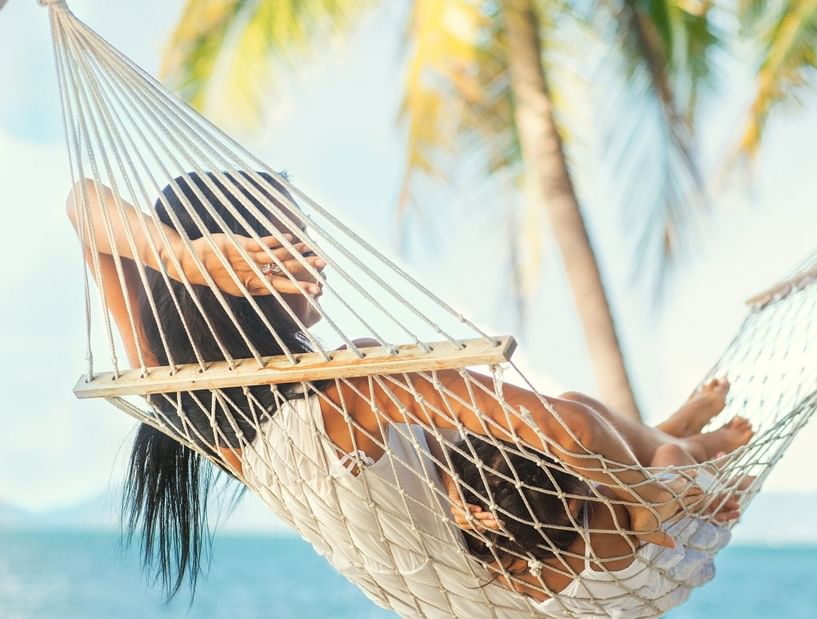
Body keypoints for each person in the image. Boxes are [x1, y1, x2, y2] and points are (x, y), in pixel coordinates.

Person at [67, 172, 750, 613]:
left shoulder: (199, 404)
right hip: (577, 586)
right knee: (617, 441)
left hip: (497, 583)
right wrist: (640, 489)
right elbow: (567, 428)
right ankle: (670, 454)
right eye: (293, 238)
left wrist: (184, 258)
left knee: (601, 440)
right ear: (248, 263)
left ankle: (668, 442)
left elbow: (82, 206)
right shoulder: (356, 388)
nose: (318, 255)